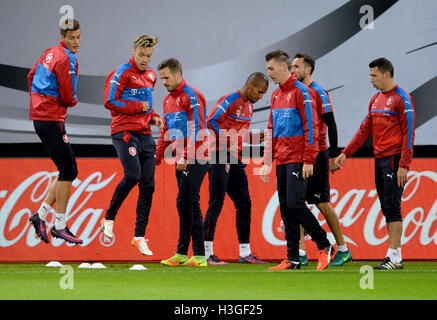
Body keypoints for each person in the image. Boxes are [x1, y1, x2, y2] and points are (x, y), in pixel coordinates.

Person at [335, 57, 415, 270]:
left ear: (386, 74)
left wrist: (404, 164)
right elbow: (364, 130)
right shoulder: (375, 99)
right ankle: (393, 255)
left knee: (393, 207)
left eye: (374, 75)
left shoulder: (402, 99)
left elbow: (409, 134)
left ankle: (395, 257)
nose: (371, 80)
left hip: (394, 159)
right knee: (386, 207)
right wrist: (346, 154)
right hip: (379, 159)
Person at [259, 50, 333, 270]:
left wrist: (309, 159)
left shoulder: (302, 92)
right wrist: (266, 161)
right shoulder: (275, 95)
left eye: (271, 69)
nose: (269, 74)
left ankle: (324, 243)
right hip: (281, 158)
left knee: (295, 203)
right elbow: (271, 129)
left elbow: (313, 126)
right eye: (268, 69)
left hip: (298, 157)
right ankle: (292, 258)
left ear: (284, 67)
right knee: (285, 207)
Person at [100, 34, 163, 256]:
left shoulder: (152, 76)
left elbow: (147, 106)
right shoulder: (121, 73)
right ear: (133, 52)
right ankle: (109, 218)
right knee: (133, 175)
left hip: (145, 133)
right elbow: (110, 102)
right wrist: (138, 106)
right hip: (124, 132)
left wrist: (154, 116)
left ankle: (138, 236)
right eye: (141, 54)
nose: (145, 59)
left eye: (148, 55)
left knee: (149, 185)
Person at [290, 52, 352, 266]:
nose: (292, 70)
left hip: (318, 154)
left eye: (296, 67)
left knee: (322, 203)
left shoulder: (318, 91)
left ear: (308, 69)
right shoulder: (296, 92)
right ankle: (299, 253)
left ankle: (343, 249)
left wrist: (334, 155)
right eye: (291, 67)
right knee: (296, 202)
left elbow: (331, 123)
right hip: (301, 153)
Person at [203, 73, 269, 265]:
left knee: (244, 203)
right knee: (216, 202)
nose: (260, 96)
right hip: (218, 155)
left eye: (263, 93)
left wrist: (257, 138)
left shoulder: (249, 106)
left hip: (235, 158)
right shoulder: (230, 99)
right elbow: (210, 121)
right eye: (259, 91)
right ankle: (206, 254)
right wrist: (228, 141)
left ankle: (245, 253)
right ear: (249, 85)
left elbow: (241, 135)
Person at [28, 19, 83, 245]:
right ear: (63, 37)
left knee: (65, 169)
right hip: (51, 119)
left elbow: (30, 76)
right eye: (72, 38)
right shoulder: (67, 58)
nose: (76, 42)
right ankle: (59, 225)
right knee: (69, 169)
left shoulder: (50, 52)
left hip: (40, 118)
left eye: (78, 37)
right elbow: (69, 97)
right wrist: (72, 101)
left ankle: (40, 216)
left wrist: (37, 102)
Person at [156, 58, 210, 267]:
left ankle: (196, 255)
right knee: (188, 203)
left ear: (178, 74)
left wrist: (186, 155)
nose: (164, 82)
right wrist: (157, 156)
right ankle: (186, 254)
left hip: (198, 157)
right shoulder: (168, 100)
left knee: (186, 201)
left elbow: (197, 128)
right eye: (161, 78)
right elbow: (165, 132)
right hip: (181, 159)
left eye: (166, 77)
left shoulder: (193, 96)